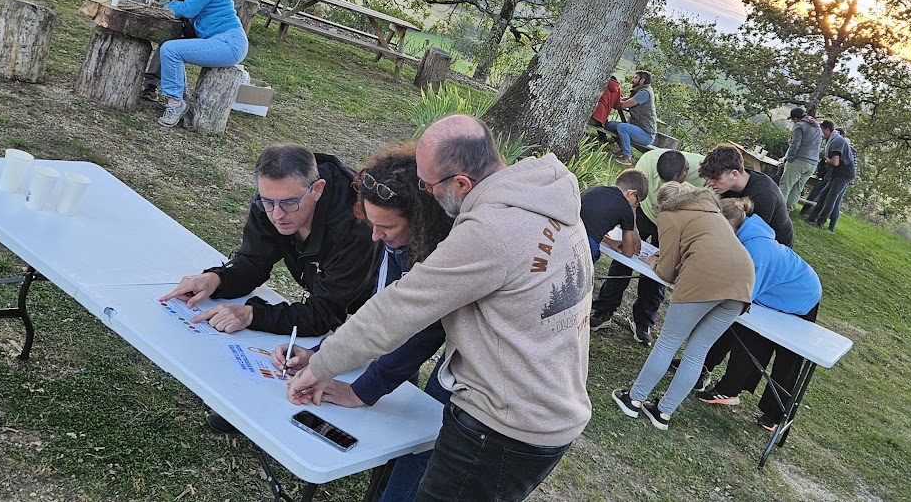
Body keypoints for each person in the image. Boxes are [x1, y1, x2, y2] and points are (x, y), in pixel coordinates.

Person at [287, 115, 592, 502]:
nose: (422, 193)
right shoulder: (544, 196)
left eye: (427, 185)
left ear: (460, 184)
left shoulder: (489, 232)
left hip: (503, 425)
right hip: (546, 408)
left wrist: (319, 366)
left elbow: (396, 311)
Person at [272, 146, 454, 502]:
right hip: (439, 345)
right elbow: (381, 311)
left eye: (386, 227)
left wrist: (363, 391)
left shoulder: (444, 257)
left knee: (431, 440)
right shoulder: (401, 240)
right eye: (371, 224)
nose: (374, 237)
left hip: (487, 374)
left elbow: (419, 331)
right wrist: (323, 354)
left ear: (422, 223)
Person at [159, 144, 377, 336]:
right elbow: (254, 262)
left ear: (317, 189)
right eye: (267, 202)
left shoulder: (356, 226)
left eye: (290, 203)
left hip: (383, 302)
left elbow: (325, 313)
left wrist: (253, 315)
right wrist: (216, 279)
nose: (277, 215)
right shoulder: (271, 202)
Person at [610, 181, 754, 430]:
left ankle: (634, 400)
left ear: (663, 203)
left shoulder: (670, 213)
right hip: (743, 282)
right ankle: (663, 413)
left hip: (705, 277)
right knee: (697, 352)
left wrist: (655, 261)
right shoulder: (712, 210)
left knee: (668, 341)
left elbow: (666, 271)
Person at [695, 199, 822, 431]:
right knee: (749, 335)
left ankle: (777, 416)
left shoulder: (757, 250)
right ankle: (729, 390)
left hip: (801, 297)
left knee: (788, 359)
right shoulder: (744, 236)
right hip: (773, 295)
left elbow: (743, 295)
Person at [590, 148, 705, 343]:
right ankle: (603, 310)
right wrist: (632, 228)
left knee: (660, 269)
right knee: (623, 260)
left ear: (685, 171)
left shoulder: (706, 172)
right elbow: (631, 202)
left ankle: (643, 321)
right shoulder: (647, 161)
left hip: (674, 221)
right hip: (644, 212)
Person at [152, 0, 249, 127]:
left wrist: (167, 6)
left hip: (229, 43)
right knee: (173, 48)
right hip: (224, 40)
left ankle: (175, 102)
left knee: (170, 50)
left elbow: (189, 9)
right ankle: (179, 96)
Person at [698, 143, 794, 247]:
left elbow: (751, 236)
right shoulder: (726, 186)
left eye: (716, 178)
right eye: (709, 178)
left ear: (734, 174)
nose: (710, 183)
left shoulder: (764, 196)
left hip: (773, 244)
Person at [580, 169, 649, 262]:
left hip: (568, 232)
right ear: (632, 193)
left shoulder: (594, 189)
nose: (635, 206)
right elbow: (628, 252)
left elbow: (588, 227)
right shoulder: (626, 208)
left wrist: (610, 241)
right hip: (587, 247)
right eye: (637, 202)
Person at [806, 124, 856, 231]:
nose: (821, 133)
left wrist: (824, 158)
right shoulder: (833, 140)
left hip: (844, 174)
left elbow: (835, 162)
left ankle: (820, 222)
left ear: (828, 130)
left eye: (822, 131)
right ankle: (812, 218)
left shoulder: (837, 142)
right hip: (836, 173)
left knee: (831, 198)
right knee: (823, 194)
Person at [609, 70, 657, 165]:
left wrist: (612, 101)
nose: (633, 80)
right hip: (637, 129)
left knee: (622, 127)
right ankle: (623, 150)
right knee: (609, 125)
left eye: (635, 78)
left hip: (646, 134)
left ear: (642, 80)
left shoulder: (644, 93)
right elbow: (623, 100)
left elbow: (624, 104)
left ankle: (627, 157)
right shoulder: (639, 90)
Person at [779, 107, 823, 209]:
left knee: (785, 186)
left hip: (800, 161)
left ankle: (778, 212)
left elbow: (795, 145)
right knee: (797, 189)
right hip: (813, 163)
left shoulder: (799, 126)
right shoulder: (817, 127)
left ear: (796, 118)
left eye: (793, 119)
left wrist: (789, 159)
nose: (793, 122)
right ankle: (787, 211)